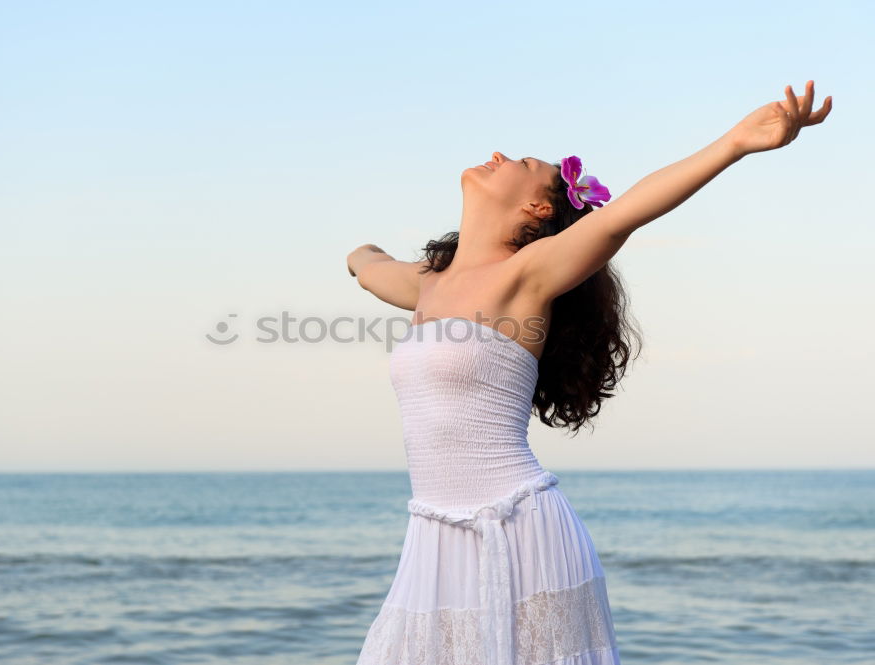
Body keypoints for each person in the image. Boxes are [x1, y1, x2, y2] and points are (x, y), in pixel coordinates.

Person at [346, 82, 831, 665]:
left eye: (522, 163)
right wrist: (393, 259)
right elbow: (365, 263)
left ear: (539, 209)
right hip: (434, 537)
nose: (499, 154)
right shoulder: (425, 284)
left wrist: (734, 143)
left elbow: (625, 214)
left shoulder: (528, 274)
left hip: (520, 527)